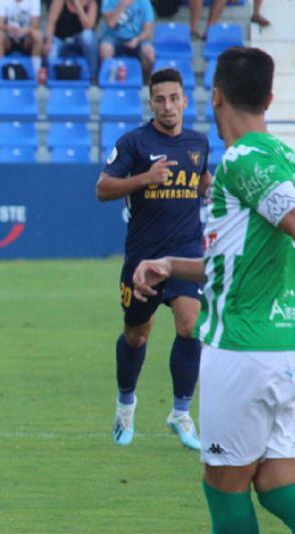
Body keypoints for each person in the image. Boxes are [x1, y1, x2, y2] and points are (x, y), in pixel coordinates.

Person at [132, 46, 295, 534]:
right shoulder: (284, 155)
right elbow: (236, 259)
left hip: (247, 350)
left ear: (212, 96)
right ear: (269, 97)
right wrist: (172, 266)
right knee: (280, 485)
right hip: (290, 348)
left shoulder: (243, 160)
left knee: (224, 484)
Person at [95, 67, 209, 449]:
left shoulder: (199, 143)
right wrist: (144, 179)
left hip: (188, 254)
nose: (168, 106)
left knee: (190, 326)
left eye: (174, 98)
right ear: (151, 103)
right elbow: (103, 188)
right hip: (143, 259)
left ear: (185, 100)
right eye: (160, 99)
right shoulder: (134, 143)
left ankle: (180, 413)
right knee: (136, 334)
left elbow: (204, 183)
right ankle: (125, 405)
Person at [99, 0, 155, 80]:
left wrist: (137, 40)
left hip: (136, 38)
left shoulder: (144, 2)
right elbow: (111, 24)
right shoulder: (108, 1)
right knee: (105, 48)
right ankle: (108, 78)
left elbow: (147, 31)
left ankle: (144, 80)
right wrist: (122, 6)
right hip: (113, 38)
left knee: (149, 51)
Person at [43, 0, 98, 80]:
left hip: (79, 42)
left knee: (88, 36)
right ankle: (51, 79)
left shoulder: (91, 3)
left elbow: (88, 27)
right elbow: (51, 23)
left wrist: (78, 6)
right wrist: (48, 41)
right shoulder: (59, 2)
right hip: (61, 40)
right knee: (51, 51)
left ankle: (92, 77)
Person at [0, 0, 42, 73]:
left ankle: (35, 72)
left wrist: (23, 31)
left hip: (26, 38)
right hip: (8, 38)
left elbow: (35, 25)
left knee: (37, 35)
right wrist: (10, 28)